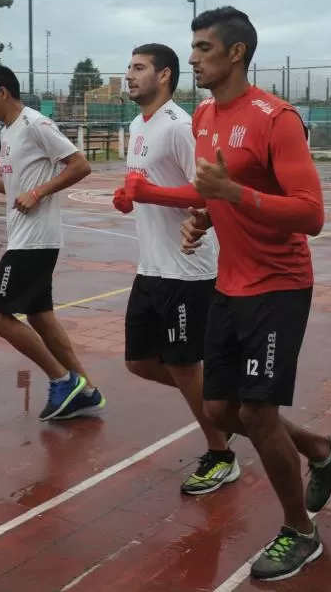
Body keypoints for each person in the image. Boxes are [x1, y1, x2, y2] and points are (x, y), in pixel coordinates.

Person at [123, 7, 331, 581]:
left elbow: (312, 214)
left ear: (236, 54)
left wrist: (231, 192)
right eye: (192, 47)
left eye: (203, 48)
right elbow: (218, 191)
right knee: (221, 408)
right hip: (229, 280)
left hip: (279, 285)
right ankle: (323, 451)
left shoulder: (275, 118)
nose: (193, 57)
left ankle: (301, 530)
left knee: (256, 410)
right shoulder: (202, 115)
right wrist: (204, 211)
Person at [113, 43, 238, 495]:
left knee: (185, 366)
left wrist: (148, 194)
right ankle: (223, 409)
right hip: (151, 266)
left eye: (139, 68)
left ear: (164, 76)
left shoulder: (180, 127)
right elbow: (146, 185)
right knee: (140, 362)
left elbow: (207, 193)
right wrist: (129, 197)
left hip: (187, 270)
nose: (129, 75)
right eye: (129, 66)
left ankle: (221, 452)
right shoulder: (137, 125)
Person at [0, 65, 105, 421]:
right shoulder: (9, 132)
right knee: (41, 318)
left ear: (3, 92)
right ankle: (85, 390)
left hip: (35, 240)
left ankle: (62, 380)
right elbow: (17, 189)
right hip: (26, 237)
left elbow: (80, 165)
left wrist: (40, 192)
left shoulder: (35, 124)